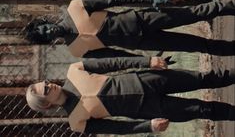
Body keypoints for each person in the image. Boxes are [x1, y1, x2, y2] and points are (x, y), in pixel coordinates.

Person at [26, 57, 235, 134]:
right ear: (46, 105)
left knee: (206, 78)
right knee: (203, 109)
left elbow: (114, 63)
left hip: (148, 79)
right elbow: (118, 128)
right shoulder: (76, 122)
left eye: (45, 82)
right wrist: (148, 127)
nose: (49, 84)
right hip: (148, 109)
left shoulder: (74, 70)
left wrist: (147, 62)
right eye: (45, 90)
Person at [24, 0, 235, 57]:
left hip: (140, 19)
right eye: (45, 35)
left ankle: (227, 7)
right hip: (142, 43)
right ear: (49, 41)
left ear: (45, 21)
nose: (49, 30)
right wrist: (147, 61)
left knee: (190, 14)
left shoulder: (74, 8)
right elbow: (115, 56)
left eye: (44, 27)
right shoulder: (76, 49)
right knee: (196, 46)